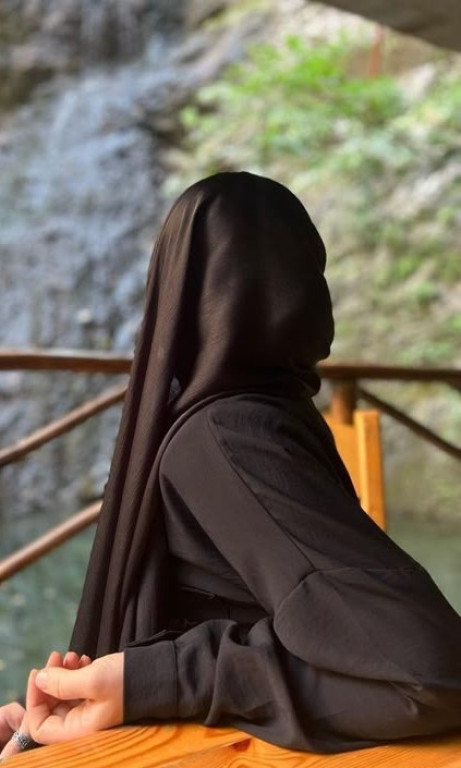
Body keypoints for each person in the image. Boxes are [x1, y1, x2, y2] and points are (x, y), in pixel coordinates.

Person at [1, 171, 461, 760]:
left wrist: (159, 680)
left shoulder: (235, 426)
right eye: (306, 270)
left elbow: (429, 668)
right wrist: (144, 686)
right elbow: (429, 667)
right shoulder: (231, 436)